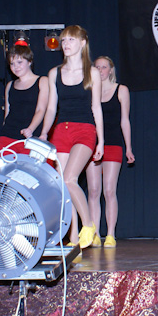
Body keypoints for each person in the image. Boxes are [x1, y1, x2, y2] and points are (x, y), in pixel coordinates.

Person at [40, 25, 103, 249]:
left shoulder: (92, 73)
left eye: (71, 40)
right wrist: (44, 133)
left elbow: (96, 107)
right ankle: (74, 236)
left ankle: (89, 225)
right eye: (64, 40)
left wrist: (101, 141)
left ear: (82, 43)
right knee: (62, 186)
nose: (65, 44)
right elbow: (51, 108)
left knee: (69, 179)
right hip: (61, 130)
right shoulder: (54, 73)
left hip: (85, 129)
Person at [84, 56, 135, 248]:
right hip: (92, 144)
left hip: (113, 143)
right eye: (97, 67)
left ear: (111, 70)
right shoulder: (89, 91)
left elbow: (125, 120)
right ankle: (95, 233)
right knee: (93, 190)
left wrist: (129, 147)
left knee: (109, 190)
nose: (100, 70)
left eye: (104, 67)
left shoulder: (121, 90)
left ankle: (111, 234)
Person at [0, 44, 49, 156]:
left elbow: (41, 109)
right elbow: (7, 114)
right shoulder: (10, 85)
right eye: (12, 64)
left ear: (29, 61)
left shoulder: (42, 81)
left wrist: (30, 129)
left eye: (19, 62)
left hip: (31, 137)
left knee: (28, 167)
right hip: (8, 135)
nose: (16, 67)